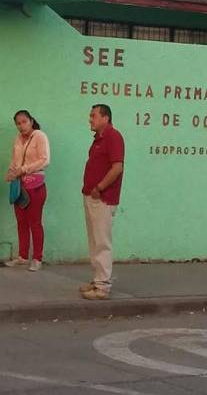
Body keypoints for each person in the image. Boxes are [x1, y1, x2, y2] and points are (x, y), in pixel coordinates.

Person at [80, 104, 125, 301]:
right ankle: (97, 279)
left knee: (102, 242)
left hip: (103, 198)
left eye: (94, 116)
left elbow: (117, 168)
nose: (90, 119)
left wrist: (100, 187)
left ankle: (103, 286)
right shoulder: (98, 139)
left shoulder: (113, 137)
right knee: (94, 241)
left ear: (106, 118)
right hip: (91, 196)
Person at [4, 110, 50, 271]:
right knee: (21, 222)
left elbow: (44, 160)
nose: (21, 126)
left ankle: (37, 258)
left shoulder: (39, 136)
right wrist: (11, 172)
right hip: (19, 185)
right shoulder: (17, 139)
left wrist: (23, 169)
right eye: (18, 123)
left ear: (31, 121)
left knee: (35, 223)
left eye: (24, 121)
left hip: (35, 185)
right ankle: (22, 256)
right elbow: (15, 160)